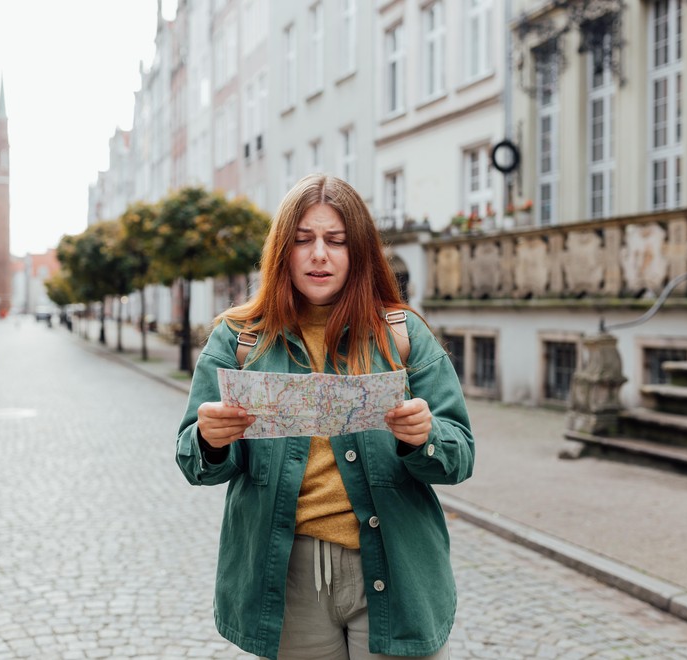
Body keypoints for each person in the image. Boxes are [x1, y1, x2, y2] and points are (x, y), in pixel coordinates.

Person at [176, 174, 475, 660]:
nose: (319, 254)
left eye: (335, 241)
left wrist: (426, 436)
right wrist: (209, 439)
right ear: (282, 252)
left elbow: (460, 455)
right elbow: (193, 459)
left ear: (357, 251)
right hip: (287, 576)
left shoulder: (401, 334)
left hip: (395, 567)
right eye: (303, 241)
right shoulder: (239, 339)